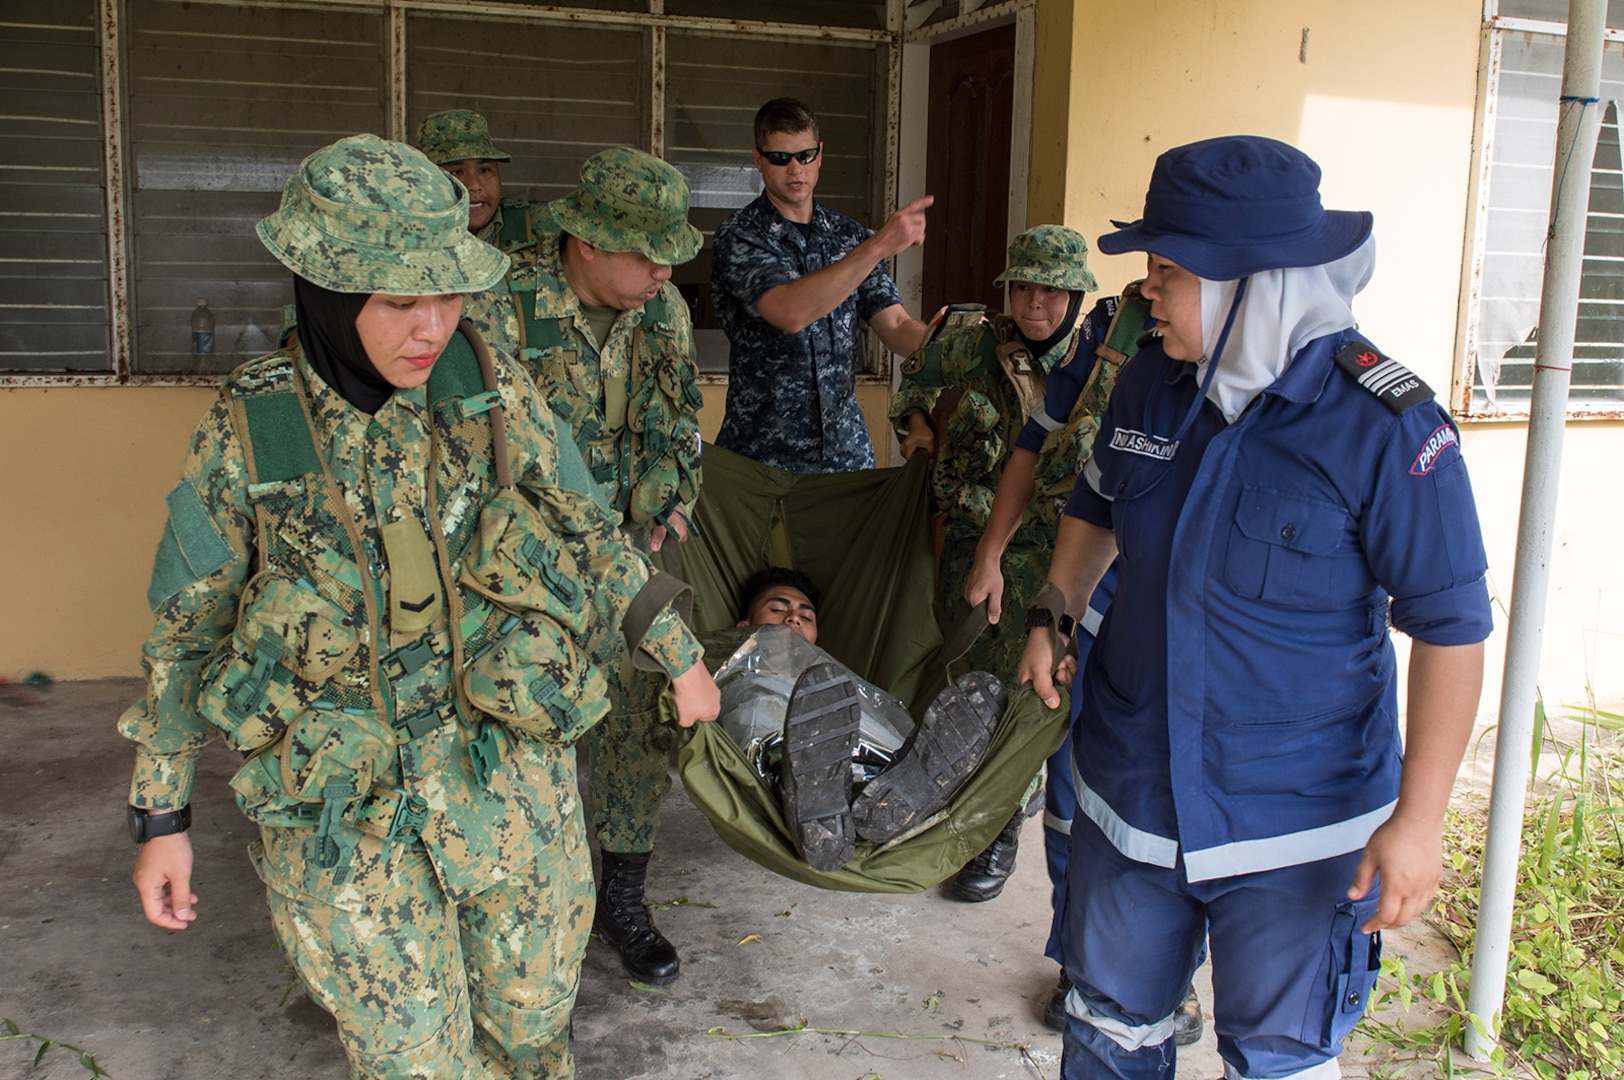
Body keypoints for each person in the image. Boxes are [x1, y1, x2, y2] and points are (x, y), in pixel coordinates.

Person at [120, 134, 720, 1079]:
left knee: (532, 1037)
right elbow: (186, 632)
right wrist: (161, 819)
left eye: (448, 293)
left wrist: (677, 650)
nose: (432, 326)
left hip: (508, 782)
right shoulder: (254, 431)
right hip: (347, 815)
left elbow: (585, 525)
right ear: (324, 292)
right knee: (414, 1062)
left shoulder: (485, 386)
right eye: (401, 301)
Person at [1019, 135, 1491, 1079]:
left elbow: (1452, 627)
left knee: (1278, 1059)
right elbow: (1098, 502)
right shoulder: (1153, 379)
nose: (1147, 292)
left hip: (1297, 829)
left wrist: (1422, 818)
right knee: (1109, 1033)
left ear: (1251, 283)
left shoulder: (1385, 427)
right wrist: (1053, 610)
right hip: (1133, 800)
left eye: (1167, 271)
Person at [499, 145, 706, 987]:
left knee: (635, 723)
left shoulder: (665, 310)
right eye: (644, 251)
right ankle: (524, 904)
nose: (662, 269)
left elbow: (679, 416)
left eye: (670, 253)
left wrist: (666, 495)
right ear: (585, 241)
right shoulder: (500, 305)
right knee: (522, 725)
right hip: (521, 569)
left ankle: (621, 897)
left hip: (628, 558)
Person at [713, 567, 1007, 872]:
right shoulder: (734, 677)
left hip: (854, 759)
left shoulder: (834, 685)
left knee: (850, 713)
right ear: (743, 627)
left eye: (807, 616)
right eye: (777, 609)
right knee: (766, 712)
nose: (793, 618)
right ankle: (831, 798)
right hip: (778, 751)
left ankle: (872, 796)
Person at [711, 97, 934, 473]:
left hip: (844, 457)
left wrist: (948, 339)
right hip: (764, 461)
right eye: (781, 158)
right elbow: (790, 311)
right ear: (758, 159)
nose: (796, 169)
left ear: (820, 153)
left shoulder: (848, 237)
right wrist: (878, 246)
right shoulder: (741, 236)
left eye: (806, 155)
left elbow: (895, 327)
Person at [414, 108, 554, 248]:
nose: (474, 185)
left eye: (484, 170)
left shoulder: (540, 227)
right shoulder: (408, 236)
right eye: (456, 172)